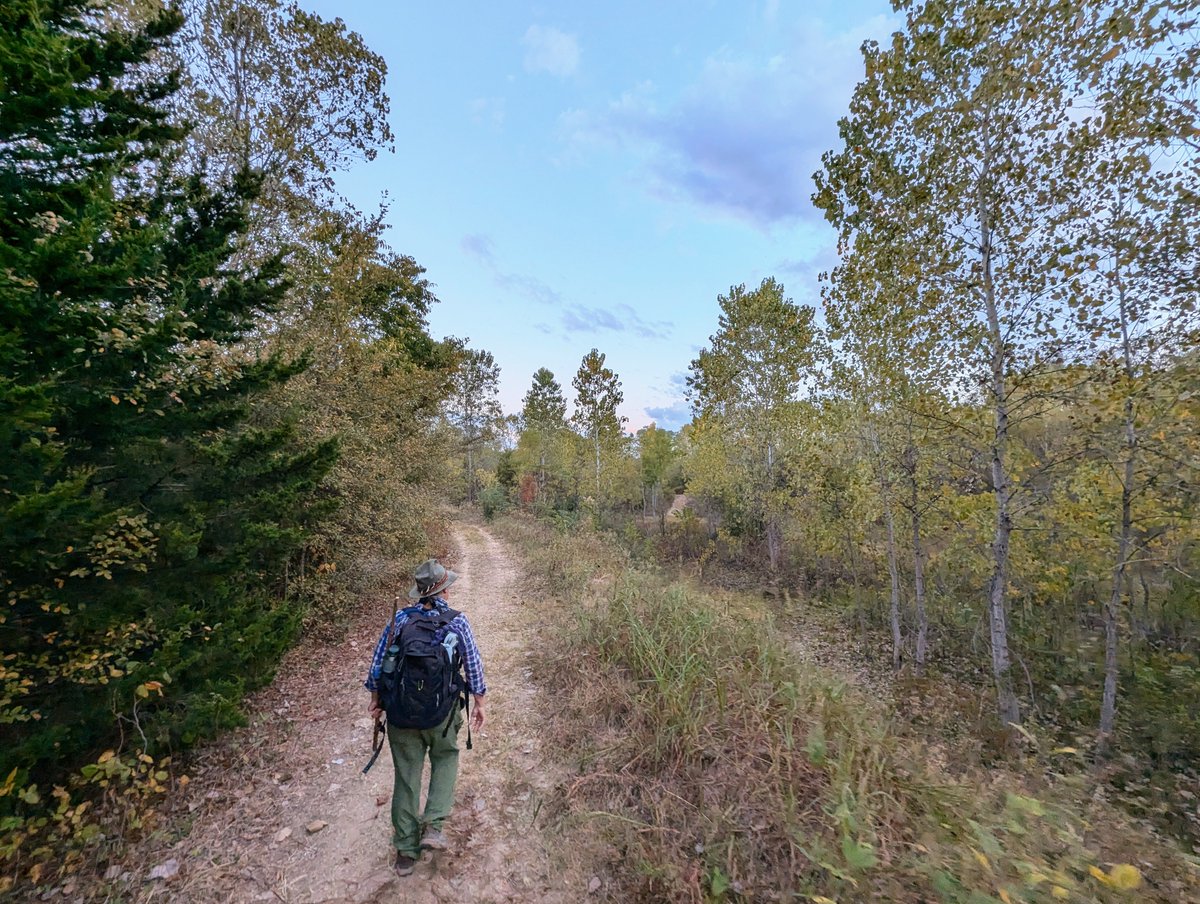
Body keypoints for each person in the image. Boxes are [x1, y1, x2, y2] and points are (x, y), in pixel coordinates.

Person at [364, 558, 487, 877]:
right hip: (442, 714)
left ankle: (405, 852)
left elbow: (377, 667)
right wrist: (480, 702)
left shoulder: (400, 620)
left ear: (419, 592)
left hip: (402, 717)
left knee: (406, 777)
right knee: (446, 758)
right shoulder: (458, 622)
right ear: (445, 590)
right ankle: (433, 824)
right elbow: (473, 667)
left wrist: (376, 702)